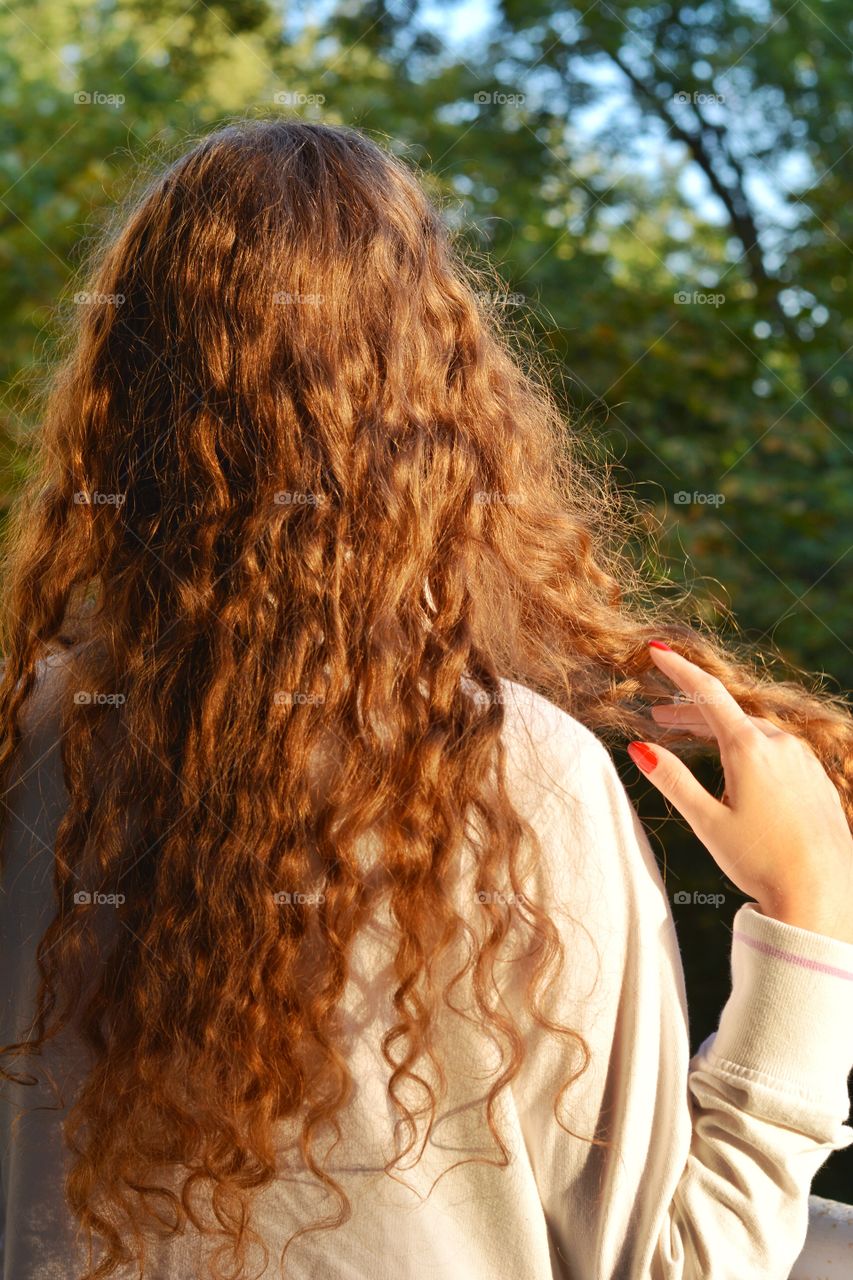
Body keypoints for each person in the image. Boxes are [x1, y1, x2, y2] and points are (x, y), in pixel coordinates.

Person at [1, 117, 852, 1280]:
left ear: (116, 397)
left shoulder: (19, 742)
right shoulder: (533, 779)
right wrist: (810, 919)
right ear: (441, 413)